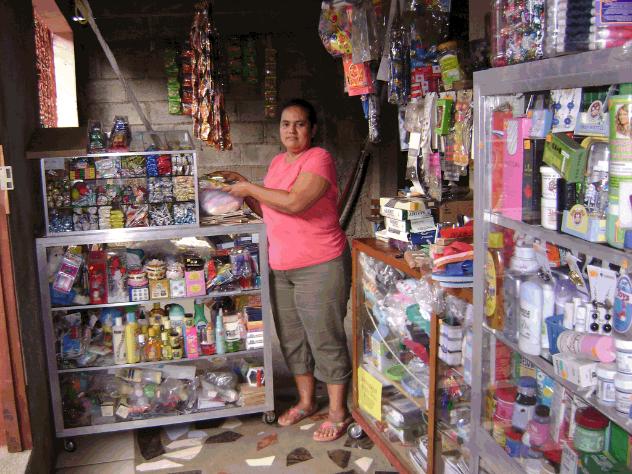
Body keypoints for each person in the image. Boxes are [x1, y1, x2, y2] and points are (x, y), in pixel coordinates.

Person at [216, 98, 352, 442]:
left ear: (312, 129)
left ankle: (338, 412)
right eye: (285, 124)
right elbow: (270, 209)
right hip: (281, 266)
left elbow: (294, 203)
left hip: (320, 264)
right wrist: (243, 188)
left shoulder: (318, 159)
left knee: (324, 337)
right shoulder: (278, 162)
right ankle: (306, 401)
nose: (291, 131)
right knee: (292, 340)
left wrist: (249, 187)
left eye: (300, 124)